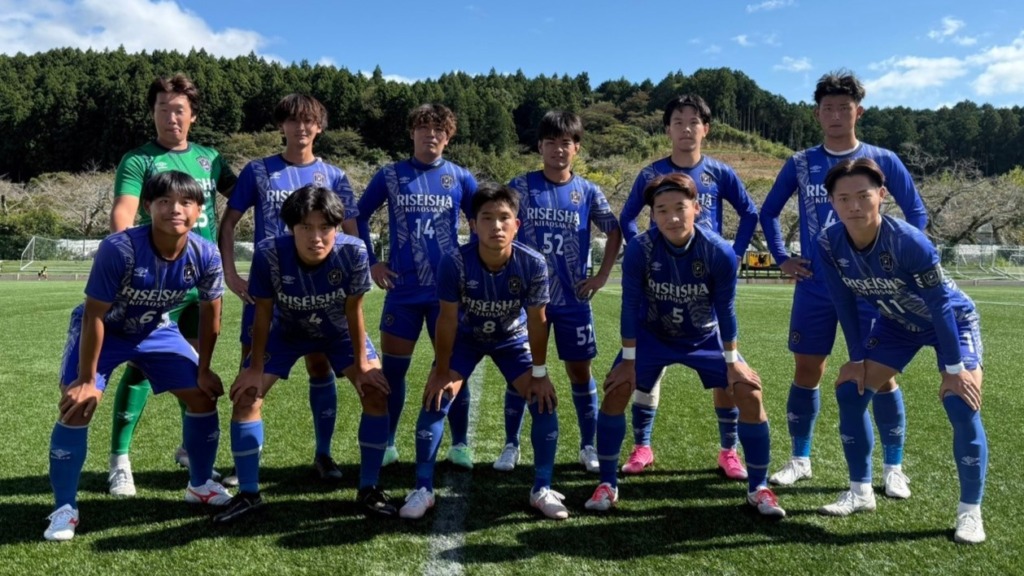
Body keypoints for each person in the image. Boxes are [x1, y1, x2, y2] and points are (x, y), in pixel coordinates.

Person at [759, 71, 928, 495]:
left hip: (871, 289)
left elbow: (917, 213)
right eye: (828, 108)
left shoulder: (882, 159)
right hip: (816, 286)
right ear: (817, 114)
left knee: (880, 374)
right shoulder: (800, 163)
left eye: (844, 107)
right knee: (807, 369)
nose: (835, 115)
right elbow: (768, 212)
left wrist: (901, 263)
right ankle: (800, 459)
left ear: (859, 112)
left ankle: (893, 467)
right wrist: (782, 257)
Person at [44, 171, 230, 541]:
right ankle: (64, 508)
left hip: (155, 328)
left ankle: (199, 485)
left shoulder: (206, 253)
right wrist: (86, 380)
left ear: (200, 211)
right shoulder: (120, 248)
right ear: (147, 207)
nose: (174, 209)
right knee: (78, 404)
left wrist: (205, 369)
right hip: (106, 329)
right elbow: (95, 315)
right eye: (164, 201)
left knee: (202, 393)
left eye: (186, 202)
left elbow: (212, 315)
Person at [585, 173, 783, 517]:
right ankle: (607, 483)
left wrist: (733, 361)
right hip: (653, 334)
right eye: (662, 210)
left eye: (680, 207)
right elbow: (630, 307)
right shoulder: (641, 249)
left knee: (749, 391)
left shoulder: (718, 251)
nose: (672, 217)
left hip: (704, 335)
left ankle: (759, 488)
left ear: (697, 207)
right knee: (617, 389)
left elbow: (726, 310)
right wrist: (628, 362)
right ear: (652, 215)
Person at [816, 158, 987, 544]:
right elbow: (844, 302)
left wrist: (954, 369)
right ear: (832, 202)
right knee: (851, 390)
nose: (854, 206)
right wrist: (856, 359)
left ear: (882, 195)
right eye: (843, 198)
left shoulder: (907, 241)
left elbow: (940, 305)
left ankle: (970, 512)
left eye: (863, 196)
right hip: (896, 324)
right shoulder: (828, 243)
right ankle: (860, 492)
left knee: (961, 403)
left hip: (952, 323)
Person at [213, 185, 395, 523]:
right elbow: (263, 312)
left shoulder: (354, 251)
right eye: (305, 227)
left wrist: (363, 364)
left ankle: (369, 488)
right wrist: (254, 367)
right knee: (247, 395)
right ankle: (249, 493)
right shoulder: (269, 253)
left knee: (375, 391)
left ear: (337, 227)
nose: (316, 237)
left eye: (325, 227)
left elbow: (354, 311)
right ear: (291, 228)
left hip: (338, 332)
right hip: (286, 332)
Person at [397, 183, 567, 520]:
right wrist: (441, 371)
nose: (496, 226)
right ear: (473, 225)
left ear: (516, 225)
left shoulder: (533, 263)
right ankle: (423, 488)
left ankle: (542, 488)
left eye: (504, 218)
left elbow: (537, 321)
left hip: (511, 338)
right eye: (487, 218)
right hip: (467, 337)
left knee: (543, 401)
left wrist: (540, 373)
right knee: (436, 398)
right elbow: (447, 319)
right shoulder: (454, 262)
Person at [106, 73, 237, 497]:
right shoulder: (138, 160)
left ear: (193, 115)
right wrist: (124, 258)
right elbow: (124, 211)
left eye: (179, 109)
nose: (171, 117)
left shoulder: (210, 159)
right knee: (140, 367)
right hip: (156, 284)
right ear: (153, 114)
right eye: (162, 109)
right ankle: (119, 460)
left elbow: (244, 196)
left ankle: (191, 453)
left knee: (193, 369)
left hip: (201, 284)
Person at [616, 95, 759, 480]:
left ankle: (729, 451)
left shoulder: (719, 172)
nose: (685, 128)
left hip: (705, 282)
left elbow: (749, 212)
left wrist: (735, 253)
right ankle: (642, 446)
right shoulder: (651, 173)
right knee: (649, 364)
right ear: (667, 129)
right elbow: (627, 217)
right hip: (660, 280)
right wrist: (643, 252)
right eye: (677, 122)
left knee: (723, 364)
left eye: (693, 121)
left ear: (705, 129)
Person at [218, 93, 359, 482]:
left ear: (319, 127)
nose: (301, 128)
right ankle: (246, 464)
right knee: (251, 371)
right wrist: (231, 274)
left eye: (309, 121)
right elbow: (228, 223)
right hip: (268, 293)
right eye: (293, 121)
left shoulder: (334, 176)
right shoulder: (258, 171)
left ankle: (324, 454)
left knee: (320, 364)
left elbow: (351, 232)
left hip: (320, 293)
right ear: (282, 126)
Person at [497, 110, 622, 473]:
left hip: (572, 299)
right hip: (525, 301)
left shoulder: (588, 191)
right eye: (550, 142)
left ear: (577, 148)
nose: (558, 149)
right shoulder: (520, 186)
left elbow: (614, 230)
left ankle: (588, 445)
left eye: (565, 142)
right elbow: (499, 223)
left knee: (580, 373)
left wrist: (601, 275)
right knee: (521, 372)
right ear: (539, 146)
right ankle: (511, 444)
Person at [356, 103, 477, 469]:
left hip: (446, 294)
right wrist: (372, 261)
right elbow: (358, 215)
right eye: (424, 128)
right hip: (403, 291)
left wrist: (472, 265)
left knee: (453, 369)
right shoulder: (391, 175)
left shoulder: (460, 177)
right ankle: (389, 443)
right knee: (393, 372)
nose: (431, 135)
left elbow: (481, 220)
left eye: (439, 130)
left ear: (448, 137)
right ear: (412, 133)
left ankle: (460, 445)